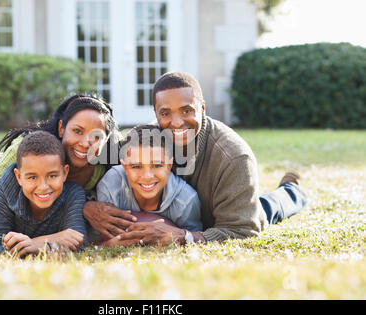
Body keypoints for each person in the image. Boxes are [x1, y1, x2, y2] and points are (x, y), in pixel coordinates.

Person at [84, 71, 307, 246]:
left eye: (186, 111)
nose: (177, 122)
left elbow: (243, 230)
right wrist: (89, 207)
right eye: (165, 113)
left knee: (266, 209)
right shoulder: (141, 143)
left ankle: (292, 191)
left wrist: (184, 237)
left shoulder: (234, 157)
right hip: (182, 215)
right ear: (156, 114)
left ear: (202, 108)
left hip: (218, 217)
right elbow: (94, 180)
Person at [0, 93, 119, 253]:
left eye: (96, 136)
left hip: (36, 195)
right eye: (77, 131)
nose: (86, 143)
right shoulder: (21, 151)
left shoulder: (106, 158)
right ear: (61, 129)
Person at [90, 124, 202, 245]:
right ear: (125, 167)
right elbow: (96, 242)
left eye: (157, 165)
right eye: (136, 166)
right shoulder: (111, 184)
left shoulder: (185, 201)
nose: (147, 176)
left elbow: (192, 241)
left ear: (169, 166)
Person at [0, 131, 86, 257]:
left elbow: (78, 243)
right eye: (32, 177)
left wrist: (34, 244)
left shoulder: (73, 194)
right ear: (19, 177)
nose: (43, 187)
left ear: (64, 173)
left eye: (52, 176)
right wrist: (50, 241)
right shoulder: (5, 188)